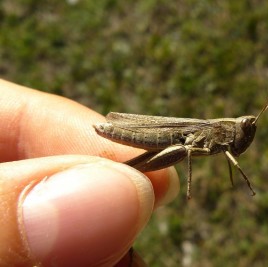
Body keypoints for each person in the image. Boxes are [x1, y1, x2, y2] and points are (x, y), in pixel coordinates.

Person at [0, 79, 180, 266]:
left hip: (173, 144)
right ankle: (114, 184)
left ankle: (118, 180)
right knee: (132, 174)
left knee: (133, 172)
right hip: (154, 134)